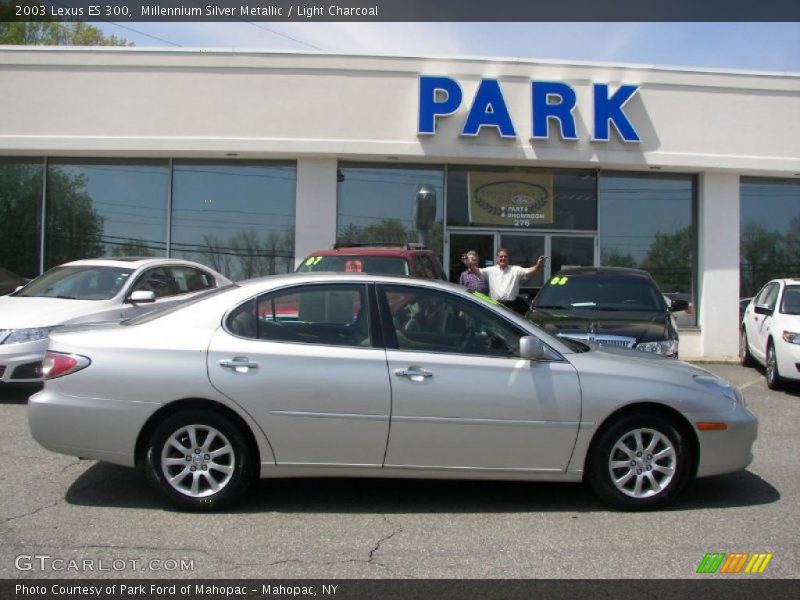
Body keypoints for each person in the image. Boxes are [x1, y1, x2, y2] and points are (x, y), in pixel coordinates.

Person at [471, 248, 546, 315]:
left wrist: (538, 265)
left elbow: (529, 271)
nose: (503, 258)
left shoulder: (515, 270)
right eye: (501, 256)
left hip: (511, 306)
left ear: (508, 258)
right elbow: (477, 271)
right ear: (497, 258)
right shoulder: (490, 270)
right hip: (494, 304)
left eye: (505, 256)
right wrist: (470, 264)